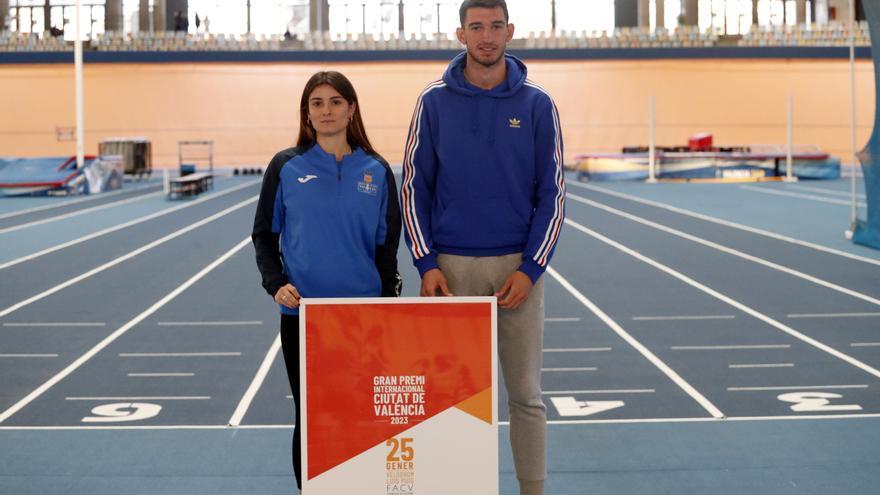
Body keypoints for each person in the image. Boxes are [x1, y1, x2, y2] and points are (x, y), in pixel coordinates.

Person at [400, 1, 564, 494]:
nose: (487, 36)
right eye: (477, 27)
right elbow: (413, 187)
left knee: (525, 397)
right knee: (452, 396)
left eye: (495, 26)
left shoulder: (537, 104)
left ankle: (531, 489)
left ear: (510, 31)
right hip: (449, 272)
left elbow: (551, 194)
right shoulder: (432, 101)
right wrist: (427, 264)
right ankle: (457, 486)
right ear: (460, 33)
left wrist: (531, 268)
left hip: (517, 271)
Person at [252, 70, 402, 491]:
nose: (327, 110)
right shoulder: (286, 166)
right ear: (306, 113)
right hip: (304, 317)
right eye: (317, 103)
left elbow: (386, 248)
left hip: (363, 316)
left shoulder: (375, 170)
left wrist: (387, 305)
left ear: (351, 109)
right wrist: (275, 282)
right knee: (312, 415)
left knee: (361, 413)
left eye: (336, 102)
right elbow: (265, 234)